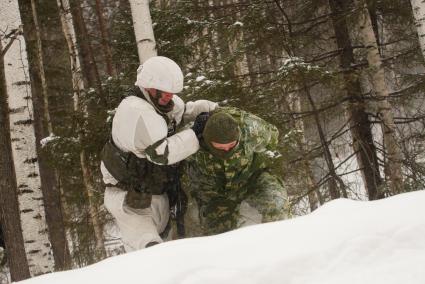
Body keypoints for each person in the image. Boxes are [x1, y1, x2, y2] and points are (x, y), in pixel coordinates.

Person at [101, 56, 217, 251]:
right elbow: (161, 153)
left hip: (153, 191)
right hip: (129, 201)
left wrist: (207, 109)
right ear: (147, 87)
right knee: (148, 250)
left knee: (176, 245)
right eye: (163, 93)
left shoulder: (160, 101)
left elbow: (179, 113)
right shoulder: (136, 112)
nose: (168, 97)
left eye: (171, 93)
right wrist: (195, 133)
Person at [183, 107, 289, 236]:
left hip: (252, 178)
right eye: (220, 147)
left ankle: (283, 245)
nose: (227, 151)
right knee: (219, 235)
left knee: (277, 206)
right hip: (214, 192)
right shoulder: (189, 139)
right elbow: (167, 154)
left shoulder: (252, 129)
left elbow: (273, 137)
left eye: (232, 145)